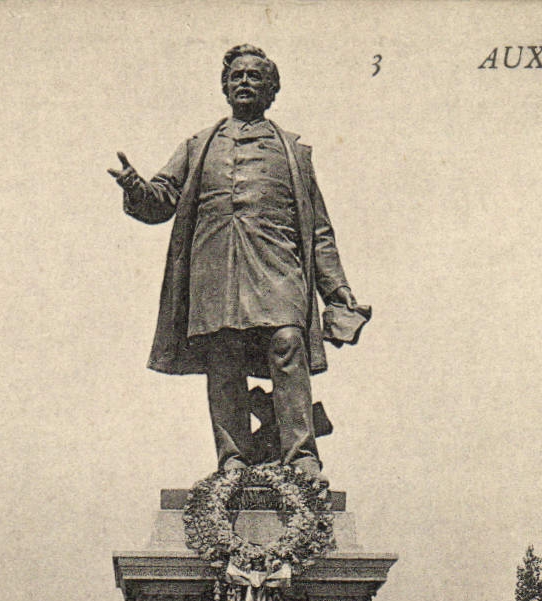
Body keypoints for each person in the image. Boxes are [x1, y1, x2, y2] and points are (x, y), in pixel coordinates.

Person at [110, 44, 362, 482]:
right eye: (237, 76)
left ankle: (301, 455)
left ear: (271, 90)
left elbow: (319, 230)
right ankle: (233, 459)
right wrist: (135, 187)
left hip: (277, 264)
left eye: (255, 77)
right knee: (223, 356)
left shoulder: (294, 154)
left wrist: (337, 292)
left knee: (287, 342)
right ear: (225, 87)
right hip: (215, 269)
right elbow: (160, 200)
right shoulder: (197, 146)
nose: (244, 82)